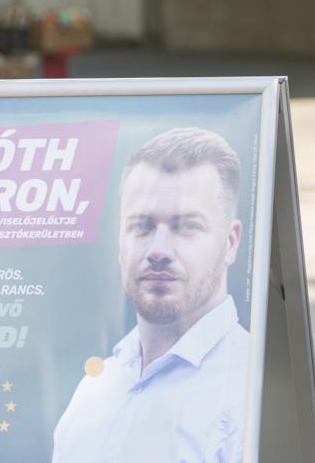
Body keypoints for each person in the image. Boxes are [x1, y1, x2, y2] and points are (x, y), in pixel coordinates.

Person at [52, 128, 251, 463]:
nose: (158, 251)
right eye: (141, 226)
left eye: (186, 226)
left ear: (230, 242)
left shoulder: (250, 390)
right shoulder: (95, 387)